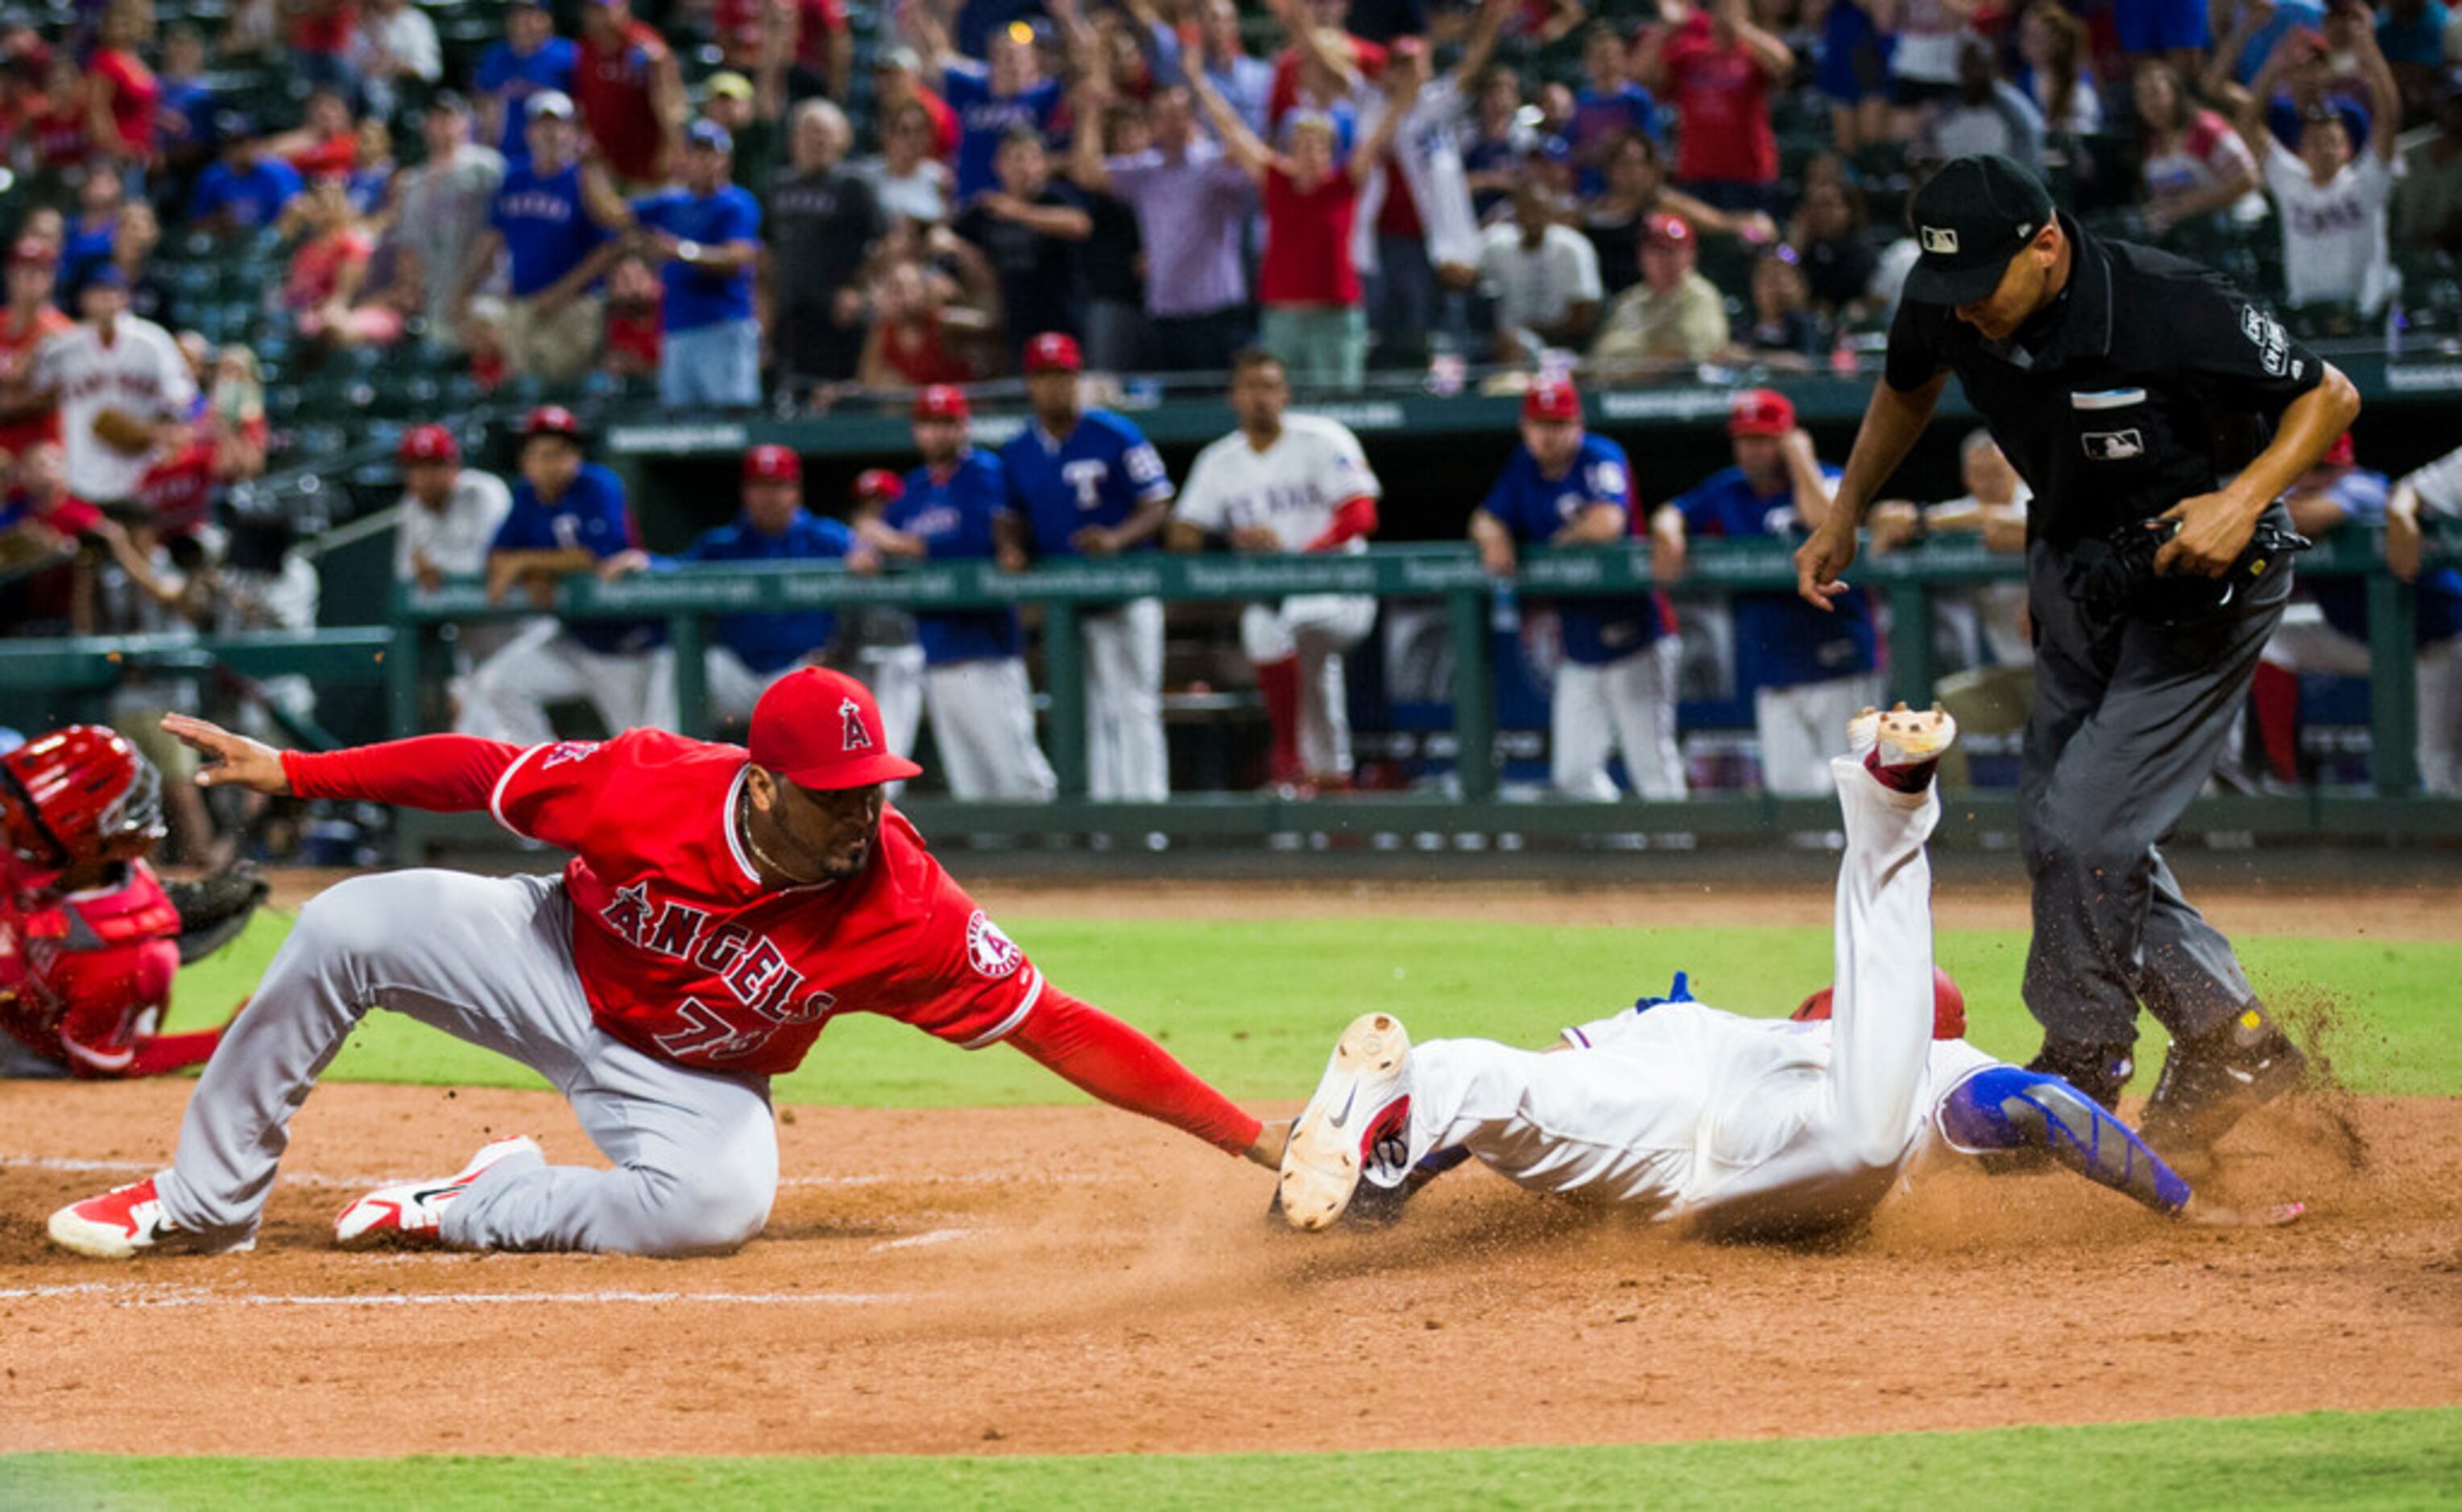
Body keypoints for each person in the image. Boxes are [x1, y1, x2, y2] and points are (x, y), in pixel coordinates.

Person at [47, 669, 1278, 1259]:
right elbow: (482, 769)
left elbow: (1054, 1023)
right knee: (345, 924)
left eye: (872, 791)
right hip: (543, 954)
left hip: (687, 1072)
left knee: (713, 1208)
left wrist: (1250, 1137)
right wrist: (304, 774)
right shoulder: (648, 783)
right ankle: (207, 1208)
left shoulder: (904, 905)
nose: (858, 816)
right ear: (762, 780)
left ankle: (470, 1202)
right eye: (834, 796)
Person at [1794, 152, 2359, 1155]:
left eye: (1982, 287)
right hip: (2077, 569)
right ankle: (2234, 1039)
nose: (1963, 311)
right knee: (2061, 831)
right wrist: (1847, 509)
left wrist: (2240, 500)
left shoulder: (2167, 302)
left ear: (2046, 245)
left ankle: (2084, 1056)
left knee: (2083, 828)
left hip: (2205, 584)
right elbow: (1906, 387)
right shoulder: (1948, 299)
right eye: (1948, 289)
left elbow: (2332, 396)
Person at [1272, 707, 2303, 1237]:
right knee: (1867, 1130)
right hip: (1763, 1147)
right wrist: (2181, 1201)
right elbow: (2043, 1107)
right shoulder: (1937, 1063)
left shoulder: (1694, 1019)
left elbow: (1551, 1077)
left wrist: (1389, 1193)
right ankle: (1893, 811)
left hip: (1668, 1093)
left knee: (1493, 1080)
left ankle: (1389, 1130)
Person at [1167, 349, 1381, 795]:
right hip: (1275, 596)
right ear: (1233, 397)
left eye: (1269, 386)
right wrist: (1230, 538)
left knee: (1297, 628)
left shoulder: (1322, 438)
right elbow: (1182, 533)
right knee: (1268, 632)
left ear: (1284, 394)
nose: (1260, 397)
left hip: (1339, 583)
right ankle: (1328, 777)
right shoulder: (1218, 460)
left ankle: (1289, 759)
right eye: (1250, 387)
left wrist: (1300, 554)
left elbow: (1361, 514)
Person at [0, 726, 262, 1082]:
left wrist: (216, 1043)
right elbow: (102, 1063)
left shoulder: (119, 958)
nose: (134, 811)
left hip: (31, 1030)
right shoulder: (119, 956)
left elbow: (102, 1064)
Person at [1471, 378, 1682, 800]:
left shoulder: (1600, 455)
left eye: (1559, 423)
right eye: (1539, 424)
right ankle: (1626, 856)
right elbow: (1486, 516)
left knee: (1652, 767)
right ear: (1524, 427)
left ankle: (1680, 860)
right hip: (1579, 643)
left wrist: (1551, 551)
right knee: (1571, 773)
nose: (1548, 435)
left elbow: (1607, 522)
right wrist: (1493, 535)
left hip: (1638, 632)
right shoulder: (1523, 465)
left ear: (1578, 424)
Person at [1661, 388, 1877, 795]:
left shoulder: (1827, 477)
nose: (1751, 450)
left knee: (1856, 785)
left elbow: (1825, 524)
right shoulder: (1728, 489)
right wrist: (1669, 529)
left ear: (1788, 437)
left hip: (1839, 654)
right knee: (1789, 786)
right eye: (1743, 439)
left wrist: (1800, 459)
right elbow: (1675, 509)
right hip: (1774, 662)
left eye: (1762, 438)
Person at [859, 385, 1058, 802]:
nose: (936, 434)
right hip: (937, 650)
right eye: (928, 424)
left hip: (987, 646)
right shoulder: (912, 489)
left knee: (1017, 773)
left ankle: (1058, 856)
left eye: (946, 423)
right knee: (971, 783)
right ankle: (997, 865)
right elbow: (874, 537)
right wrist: (866, 547)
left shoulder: (985, 472)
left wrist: (901, 544)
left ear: (963, 426)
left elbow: (976, 542)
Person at [998, 333, 1173, 802]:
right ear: (1030, 383)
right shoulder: (1018, 450)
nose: (1055, 386)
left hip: (1127, 590)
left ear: (1077, 379)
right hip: (1067, 606)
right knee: (1087, 712)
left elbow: (1157, 501)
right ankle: (1099, 821)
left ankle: (1145, 817)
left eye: (1063, 375)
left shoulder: (1115, 432)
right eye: (1044, 376)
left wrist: (1117, 538)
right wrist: (1012, 548)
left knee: (1134, 706)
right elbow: (1009, 517)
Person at [1190, 53, 1419, 390]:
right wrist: (1198, 79)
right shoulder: (1275, 181)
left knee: (1339, 407)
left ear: (1331, 153)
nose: (1310, 154)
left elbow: (1382, 130)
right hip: (1283, 319)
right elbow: (1233, 130)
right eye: (1302, 145)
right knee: (1284, 409)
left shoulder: (1344, 184)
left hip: (1334, 319)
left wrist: (1406, 91)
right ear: (1289, 149)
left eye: (1319, 147)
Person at [601, 445, 871, 726]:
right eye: (760, 486)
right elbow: (678, 572)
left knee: (855, 674)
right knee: (675, 661)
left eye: (778, 486)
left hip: (802, 671)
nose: (769, 496)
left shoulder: (828, 539)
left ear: (796, 490)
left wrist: (866, 557)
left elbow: (870, 561)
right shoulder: (722, 544)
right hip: (738, 673)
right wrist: (644, 562)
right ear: (746, 491)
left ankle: (869, 770)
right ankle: (658, 766)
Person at [2257, 436, 2462, 796]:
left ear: (2346, 464)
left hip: (2441, 640)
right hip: (2368, 642)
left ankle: (2435, 844)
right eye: (2298, 470)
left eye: (2322, 469)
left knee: (2438, 768)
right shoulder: (2286, 495)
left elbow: (2311, 518)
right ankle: (2262, 774)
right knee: (2256, 639)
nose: (2307, 481)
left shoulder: (2364, 487)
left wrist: (2241, 508)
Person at [460, 406, 673, 746]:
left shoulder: (598, 484)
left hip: (626, 645)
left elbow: (598, 556)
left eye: (560, 453)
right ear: (525, 461)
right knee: (497, 683)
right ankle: (545, 778)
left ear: (576, 455)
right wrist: (534, 573)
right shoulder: (527, 496)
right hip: (574, 638)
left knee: (641, 746)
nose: (551, 463)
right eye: (541, 454)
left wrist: (527, 563)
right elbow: (497, 559)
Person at [1067, 81, 1255, 374]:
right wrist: (1090, 115)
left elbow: (1249, 158)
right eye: (1164, 116)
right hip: (1168, 315)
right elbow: (1086, 172)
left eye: (1180, 114)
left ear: (1192, 118)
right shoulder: (1146, 172)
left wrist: (1202, 87)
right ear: (1152, 124)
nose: (1173, 124)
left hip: (1218, 314)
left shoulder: (1214, 165)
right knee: (1178, 410)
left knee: (1221, 404)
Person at [457, 91, 624, 386]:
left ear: (572, 131)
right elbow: (494, 235)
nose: (551, 133)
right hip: (523, 302)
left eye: (559, 125)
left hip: (575, 305)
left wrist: (561, 292)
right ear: (529, 132)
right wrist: (465, 287)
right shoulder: (515, 177)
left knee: (565, 387)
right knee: (524, 388)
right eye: (542, 125)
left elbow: (607, 248)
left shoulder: (585, 179)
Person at [2236, 25, 2401, 319]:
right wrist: (2274, 68)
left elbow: (2389, 116)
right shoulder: (2289, 178)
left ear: (2348, 149)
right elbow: (2246, 124)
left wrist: (2370, 55)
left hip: (2364, 313)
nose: (2324, 149)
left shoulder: (2365, 180)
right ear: (2300, 149)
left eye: (2333, 142)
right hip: (2307, 313)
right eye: (2315, 142)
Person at [27, 266, 195, 516]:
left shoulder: (153, 341)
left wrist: (154, 432)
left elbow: (182, 398)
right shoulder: (61, 348)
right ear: (83, 299)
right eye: (98, 292)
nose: (106, 299)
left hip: (142, 474)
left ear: (125, 297)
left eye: (112, 291)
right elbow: (36, 396)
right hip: (78, 473)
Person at [625, 119, 764, 409]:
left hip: (722, 327)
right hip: (677, 329)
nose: (701, 160)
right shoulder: (673, 203)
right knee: (680, 432)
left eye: (709, 153)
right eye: (695, 152)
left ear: (724, 159)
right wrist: (590, 168)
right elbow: (613, 213)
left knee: (730, 423)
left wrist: (683, 251)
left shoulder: (736, 203)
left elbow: (738, 258)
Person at [767, 99, 883, 390]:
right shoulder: (778, 186)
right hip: (790, 315)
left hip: (837, 315)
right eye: (807, 131)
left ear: (842, 138)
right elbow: (765, 253)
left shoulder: (854, 185)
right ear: (793, 139)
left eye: (823, 132)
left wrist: (857, 289)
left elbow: (886, 243)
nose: (815, 139)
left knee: (837, 395)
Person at [391, 93, 505, 358]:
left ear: (466, 122)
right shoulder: (414, 181)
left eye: (450, 116)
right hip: (436, 296)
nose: (443, 124)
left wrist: (466, 288)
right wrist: (411, 290)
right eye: (436, 117)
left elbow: (498, 231)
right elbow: (408, 245)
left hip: (484, 291)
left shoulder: (487, 166)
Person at [1477, 180, 1602, 365]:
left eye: (1539, 209)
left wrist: (1534, 331)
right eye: (1526, 208)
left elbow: (1583, 319)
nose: (1532, 216)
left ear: (1551, 211)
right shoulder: (1496, 244)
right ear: (1514, 212)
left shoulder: (1573, 247)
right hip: (1504, 345)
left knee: (1512, 343)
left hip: (1561, 348)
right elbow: (1466, 276)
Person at [1589, 213, 1730, 373]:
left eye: (1675, 251)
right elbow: (1602, 355)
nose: (1666, 259)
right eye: (1657, 250)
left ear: (1691, 255)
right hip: (1623, 391)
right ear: (1642, 256)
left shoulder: (1698, 296)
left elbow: (1689, 357)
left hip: (1681, 392)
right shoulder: (1630, 299)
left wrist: (1630, 361)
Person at [573, 0, 685, 193]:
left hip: (647, 163)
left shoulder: (644, 46)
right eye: (591, 9)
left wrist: (672, 146)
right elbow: (582, 101)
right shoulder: (586, 49)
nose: (596, 17)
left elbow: (670, 102)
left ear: (623, 8)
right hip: (605, 162)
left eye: (603, 9)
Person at [474, 0, 576, 171]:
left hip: (555, 159)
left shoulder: (567, 55)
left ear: (546, 19)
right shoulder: (495, 57)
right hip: (507, 157)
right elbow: (484, 106)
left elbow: (579, 107)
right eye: (517, 14)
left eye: (531, 14)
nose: (524, 21)